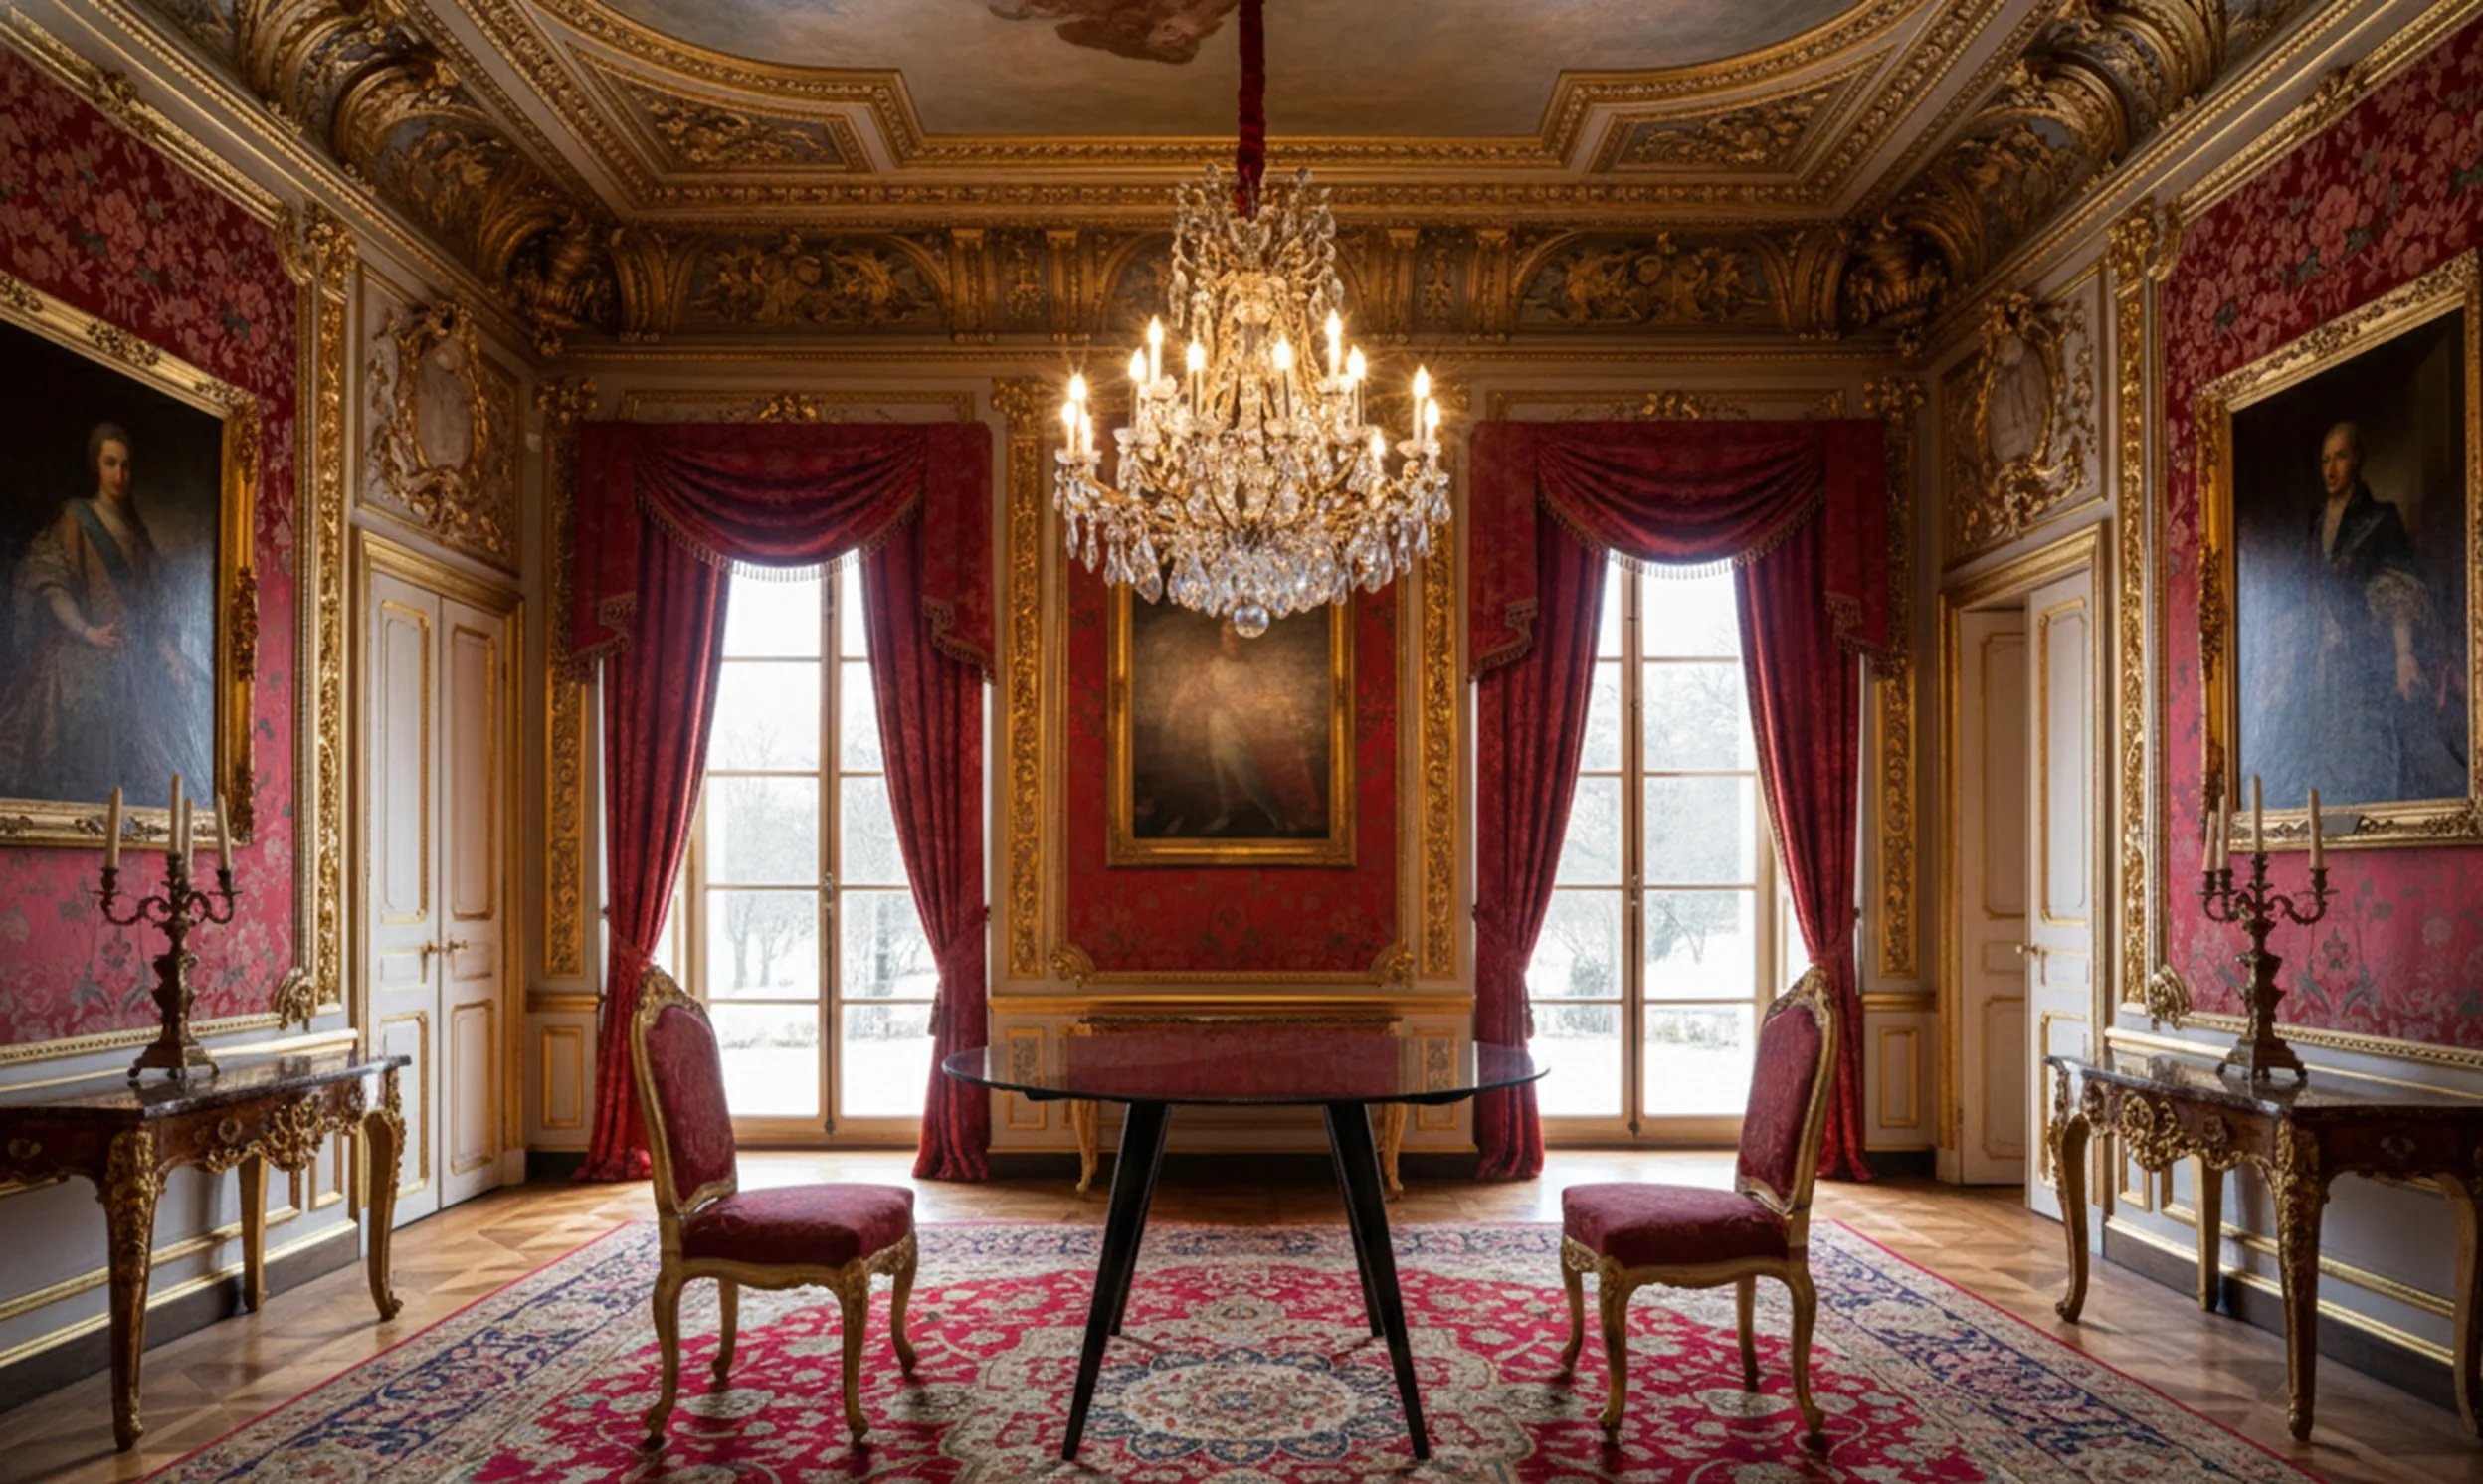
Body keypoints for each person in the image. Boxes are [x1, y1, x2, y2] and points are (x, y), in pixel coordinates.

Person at [2250, 421, 2468, 807]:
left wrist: (2403, 655)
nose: (2331, 469)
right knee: (2321, 750)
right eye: (2324, 460)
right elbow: (2298, 595)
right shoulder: (2313, 525)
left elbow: (2401, 589)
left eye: (2340, 457)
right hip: (2321, 665)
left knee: (2370, 748)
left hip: (2369, 658)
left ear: (2358, 461)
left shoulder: (2381, 520)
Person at [0, 423, 211, 804]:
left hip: (135, 665)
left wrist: (172, 657)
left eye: (126, 466)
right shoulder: (76, 518)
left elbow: (153, 607)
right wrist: (87, 631)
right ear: (95, 466)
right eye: (110, 463)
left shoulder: (137, 534)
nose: (119, 475)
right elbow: (49, 581)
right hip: (82, 654)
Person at [1158, 619, 1322, 836]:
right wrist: (1174, 714)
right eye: (1226, 637)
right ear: (1221, 640)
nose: (1231, 642)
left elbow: (1268, 700)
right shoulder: (1213, 664)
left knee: (1247, 772)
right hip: (1219, 726)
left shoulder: (1253, 668)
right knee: (1222, 772)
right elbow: (1191, 691)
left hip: (1245, 728)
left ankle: (1277, 816)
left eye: (1236, 638)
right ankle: (1227, 813)